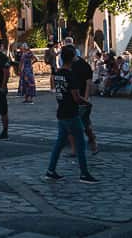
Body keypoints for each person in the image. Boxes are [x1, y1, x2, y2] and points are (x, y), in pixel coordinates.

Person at [44, 45, 97, 184]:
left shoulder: (58, 73)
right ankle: (84, 174)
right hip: (71, 113)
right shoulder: (71, 75)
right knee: (80, 143)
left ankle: (51, 170)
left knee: (60, 142)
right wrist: (86, 102)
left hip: (61, 111)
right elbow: (76, 97)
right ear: (72, 57)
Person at [66, 41, 98, 155]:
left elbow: (88, 83)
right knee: (71, 125)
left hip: (82, 98)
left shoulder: (84, 65)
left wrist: (85, 99)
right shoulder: (67, 65)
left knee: (85, 124)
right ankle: (74, 149)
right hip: (71, 98)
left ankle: (92, 140)